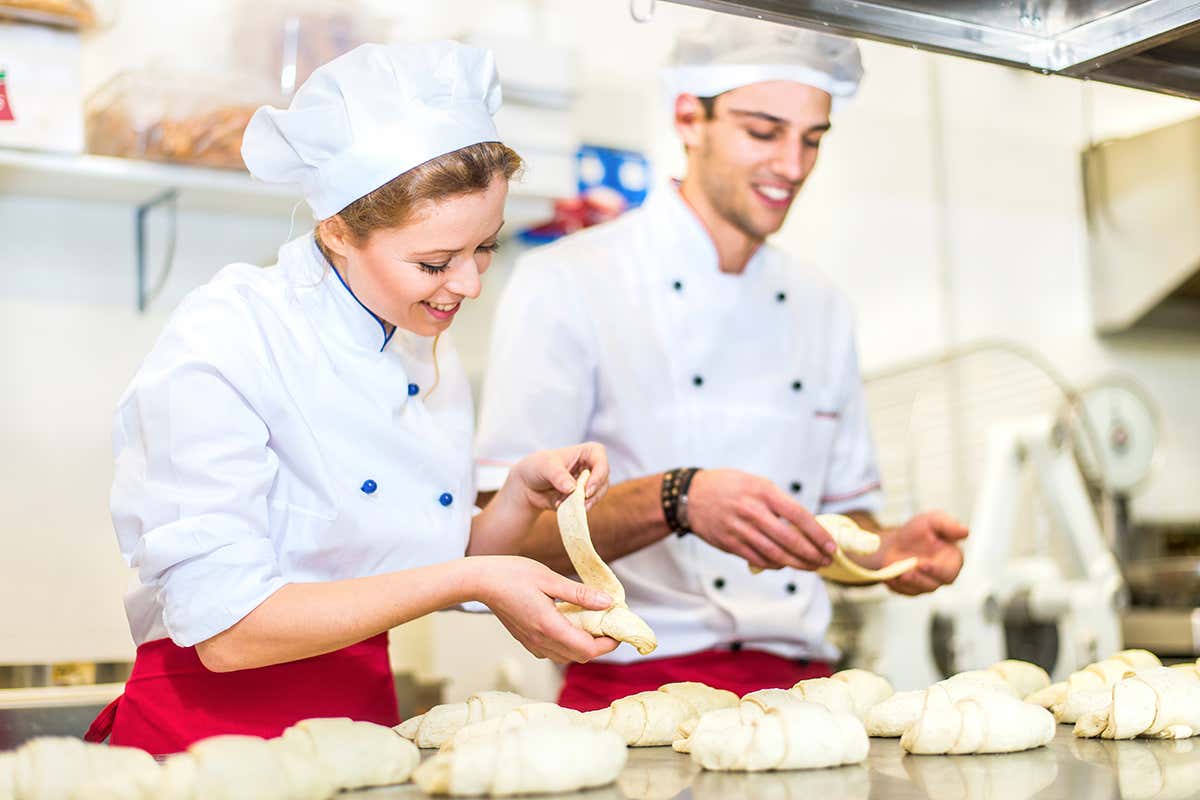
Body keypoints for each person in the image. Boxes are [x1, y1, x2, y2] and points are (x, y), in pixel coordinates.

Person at [85, 41, 617, 756]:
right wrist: (475, 575)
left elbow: (414, 555)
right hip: (208, 744)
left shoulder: (419, 339)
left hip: (362, 734)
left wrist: (516, 498)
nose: (468, 285)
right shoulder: (231, 334)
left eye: (485, 247)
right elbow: (226, 632)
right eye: (434, 262)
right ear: (336, 228)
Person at [474, 16, 969, 711]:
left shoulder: (822, 305)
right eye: (763, 132)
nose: (792, 166)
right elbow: (506, 545)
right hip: (633, 691)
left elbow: (837, 522)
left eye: (812, 139)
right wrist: (676, 499)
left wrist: (887, 552)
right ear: (688, 117)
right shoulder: (568, 282)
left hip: (807, 696)